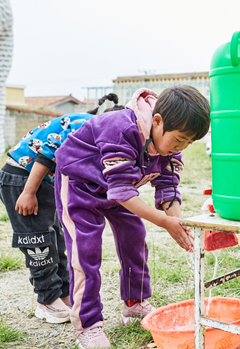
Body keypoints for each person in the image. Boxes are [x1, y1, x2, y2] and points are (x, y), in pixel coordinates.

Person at [54, 86, 210, 349]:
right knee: (86, 251)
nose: (180, 147)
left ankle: (134, 303)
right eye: (179, 140)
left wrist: (178, 224)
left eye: (188, 143)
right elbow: (123, 192)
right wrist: (163, 222)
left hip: (118, 188)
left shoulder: (170, 147)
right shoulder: (121, 128)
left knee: (135, 237)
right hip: (80, 184)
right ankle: (88, 324)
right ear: (157, 121)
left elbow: (168, 188)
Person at [0, 93, 120, 324]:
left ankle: (63, 293)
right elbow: (47, 155)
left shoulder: (98, 129)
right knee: (38, 242)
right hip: (23, 179)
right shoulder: (87, 126)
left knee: (56, 238)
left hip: (43, 183)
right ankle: (46, 300)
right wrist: (28, 191)